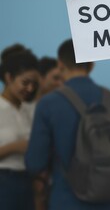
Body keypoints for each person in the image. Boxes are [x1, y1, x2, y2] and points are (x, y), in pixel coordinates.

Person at [25, 39, 110, 210]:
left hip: (66, 200)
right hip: (109, 199)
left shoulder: (49, 103)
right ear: (91, 64)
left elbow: (35, 162)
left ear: (60, 64)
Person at [0, 44, 39, 210]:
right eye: (25, 82)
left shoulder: (28, 109)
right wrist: (14, 147)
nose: (30, 88)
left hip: (27, 181)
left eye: (33, 84)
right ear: (9, 78)